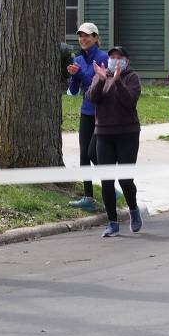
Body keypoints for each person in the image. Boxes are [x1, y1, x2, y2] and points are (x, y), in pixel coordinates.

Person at [85, 46, 143, 237]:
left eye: (119, 57)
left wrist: (118, 81)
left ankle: (133, 209)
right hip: (104, 134)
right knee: (107, 180)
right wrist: (101, 80)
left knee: (125, 179)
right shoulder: (101, 74)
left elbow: (130, 101)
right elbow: (93, 98)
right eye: (112, 57)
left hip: (128, 133)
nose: (115, 60)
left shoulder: (132, 78)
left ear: (127, 61)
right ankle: (112, 222)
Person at [66, 22, 109, 212]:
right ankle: (88, 197)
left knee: (93, 153)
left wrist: (80, 73)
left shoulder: (103, 58)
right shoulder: (78, 59)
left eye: (87, 36)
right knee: (84, 154)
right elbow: (74, 91)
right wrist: (73, 76)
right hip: (86, 111)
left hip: (101, 113)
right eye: (80, 36)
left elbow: (96, 85)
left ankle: (110, 185)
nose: (83, 39)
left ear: (96, 38)